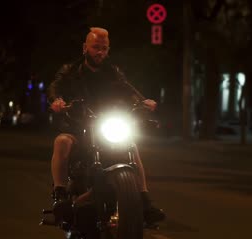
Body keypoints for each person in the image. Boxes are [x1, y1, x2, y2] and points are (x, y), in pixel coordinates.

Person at [47, 27, 165, 225]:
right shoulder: (70, 70)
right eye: (95, 47)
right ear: (85, 48)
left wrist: (142, 101)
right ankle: (60, 195)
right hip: (78, 125)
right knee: (62, 142)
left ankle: (144, 201)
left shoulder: (113, 72)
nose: (100, 52)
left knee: (131, 146)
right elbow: (55, 86)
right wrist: (57, 100)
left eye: (104, 48)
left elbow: (128, 89)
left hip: (104, 124)